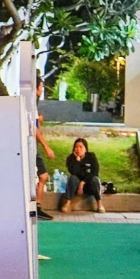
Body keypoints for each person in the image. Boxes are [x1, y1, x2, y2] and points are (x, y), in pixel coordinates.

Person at [61, 138, 104, 213]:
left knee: (95, 179)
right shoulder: (71, 158)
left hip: (88, 183)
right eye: (76, 147)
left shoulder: (91, 157)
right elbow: (73, 172)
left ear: (85, 149)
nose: (78, 149)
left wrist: (83, 182)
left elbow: (94, 172)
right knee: (72, 178)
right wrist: (77, 160)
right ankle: (67, 204)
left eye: (81, 147)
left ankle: (99, 205)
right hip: (76, 186)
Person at [35, 79, 56, 220]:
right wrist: (46, 147)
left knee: (42, 176)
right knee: (42, 176)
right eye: (41, 87)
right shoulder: (30, 104)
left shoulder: (34, 105)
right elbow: (33, 128)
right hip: (30, 148)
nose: (42, 90)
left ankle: (37, 205)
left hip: (33, 148)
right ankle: (35, 206)